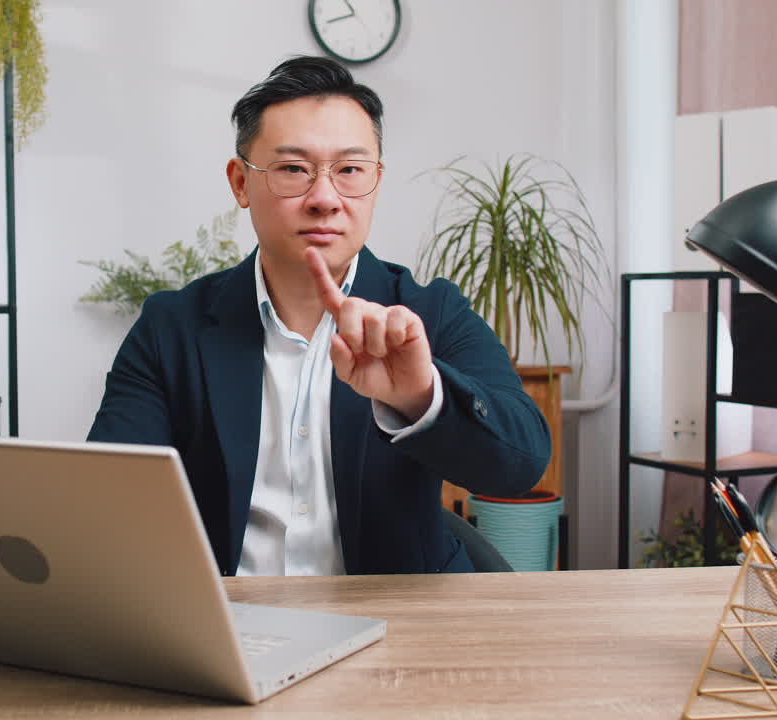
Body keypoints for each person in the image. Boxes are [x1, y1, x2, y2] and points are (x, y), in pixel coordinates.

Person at [88, 56, 550, 576]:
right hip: (232, 625)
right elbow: (113, 500)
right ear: (240, 183)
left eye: (350, 170)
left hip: (399, 626)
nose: (325, 199)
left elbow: (520, 466)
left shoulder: (428, 311)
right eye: (293, 170)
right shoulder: (172, 327)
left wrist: (419, 396)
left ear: (375, 180)